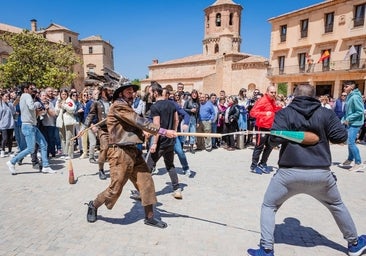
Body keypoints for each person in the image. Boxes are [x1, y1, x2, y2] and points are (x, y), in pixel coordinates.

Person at [247, 83, 366, 256]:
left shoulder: (284, 113)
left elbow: (272, 141)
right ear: (315, 96)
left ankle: (266, 249)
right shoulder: (325, 113)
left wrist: (283, 133)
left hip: (288, 174)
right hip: (321, 174)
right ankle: (354, 244)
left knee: (269, 206)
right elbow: (341, 136)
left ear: (294, 95)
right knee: (336, 205)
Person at [85, 82, 176, 228]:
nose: (132, 94)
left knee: (146, 182)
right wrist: (163, 131)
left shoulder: (126, 107)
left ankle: (150, 217)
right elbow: (138, 120)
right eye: (128, 92)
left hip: (133, 151)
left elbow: (132, 126)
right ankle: (94, 205)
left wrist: (143, 132)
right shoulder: (118, 105)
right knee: (115, 189)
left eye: (133, 92)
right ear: (120, 94)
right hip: (120, 152)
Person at [6, 83, 55, 175]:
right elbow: (32, 107)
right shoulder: (27, 95)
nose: (33, 90)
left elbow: (29, 109)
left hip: (32, 125)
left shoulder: (23, 97)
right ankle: (12, 162)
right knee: (30, 149)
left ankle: (46, 166)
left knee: (43, 144)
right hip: (28, 126)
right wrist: (37, 104)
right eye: (31, 88)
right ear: (25, 89)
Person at [145, 81, 183, 199]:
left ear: (156, 92)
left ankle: (142, 192)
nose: (149, 95)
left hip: (160, 141)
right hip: (170, 141)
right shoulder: (172, 104)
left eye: (150, 92)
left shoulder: (155, 107)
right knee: (170, 165)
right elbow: (176, 120)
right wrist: (173, 131)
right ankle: (177, 189)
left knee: (147, 167)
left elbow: (156, 127)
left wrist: (154, 143)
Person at [81, 86, 113, 180]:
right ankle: (101, 169)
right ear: (103, 92)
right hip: (103, 130)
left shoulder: (113, 102)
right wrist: (84, 127)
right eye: (109, 90)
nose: (111, 92)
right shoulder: (97, 103)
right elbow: (90, 115)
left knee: (115, 150)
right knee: (104, 148)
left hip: (114, 130)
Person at [249, 85, 282, 174]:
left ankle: (263, 163)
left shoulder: (273, 100)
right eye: (272, 92)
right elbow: (252, 113)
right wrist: (264, 114)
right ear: (267, 92)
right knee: (259, 146)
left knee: (270, 146)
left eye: (275, 92)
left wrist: (279, 107)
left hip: (270, 126)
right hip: (261, 126)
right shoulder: (262, 100)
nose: (273, 94)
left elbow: (273, 110)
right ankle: (253, 165)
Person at [338, 80, 365, 172]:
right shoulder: (350, 96)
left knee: (351, 142)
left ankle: (358, 163)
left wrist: (348, 119)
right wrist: (343, 120)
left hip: (355, 123)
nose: (344, 88)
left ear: (352, 87)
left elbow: (360, 111)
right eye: (344, 86)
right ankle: (350, 159)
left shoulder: (355, 97)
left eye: (346, 86)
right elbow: (348, 111)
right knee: (350, 142)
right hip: (351, 122)